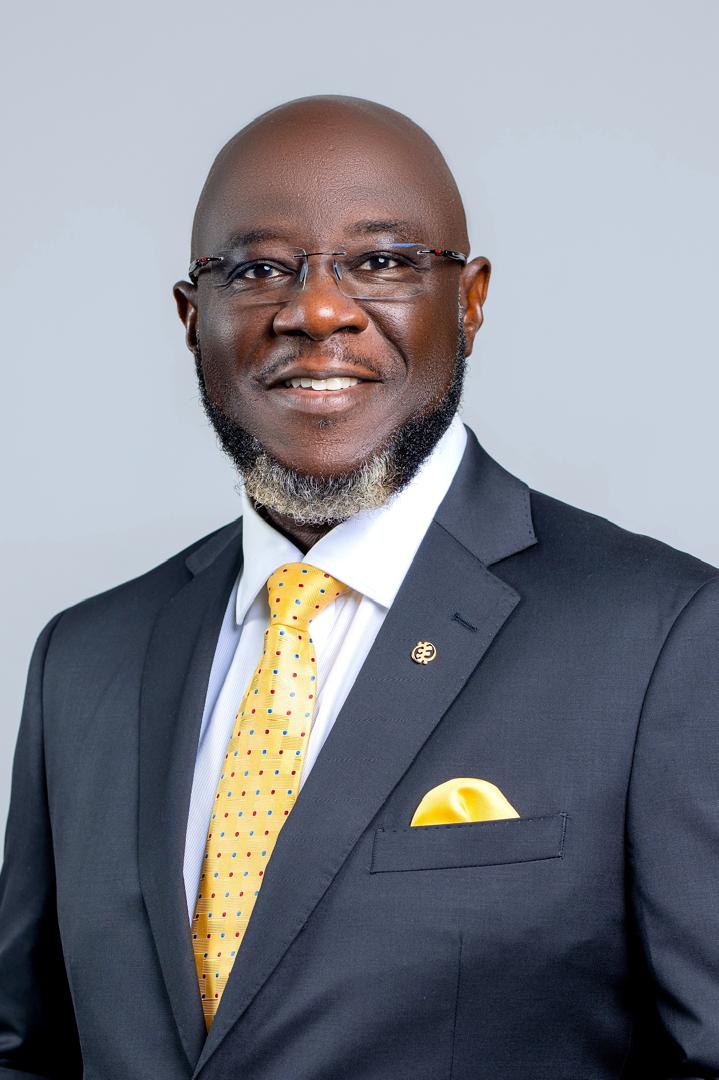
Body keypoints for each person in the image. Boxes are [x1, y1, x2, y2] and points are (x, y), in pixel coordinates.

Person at [1, 94, 718, 1080]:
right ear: (191, 318)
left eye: (380, 262)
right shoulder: (86, 659)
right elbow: (27, 1051)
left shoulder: (661, 638)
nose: (316, 311)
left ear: (468, 301)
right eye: (257, 270)